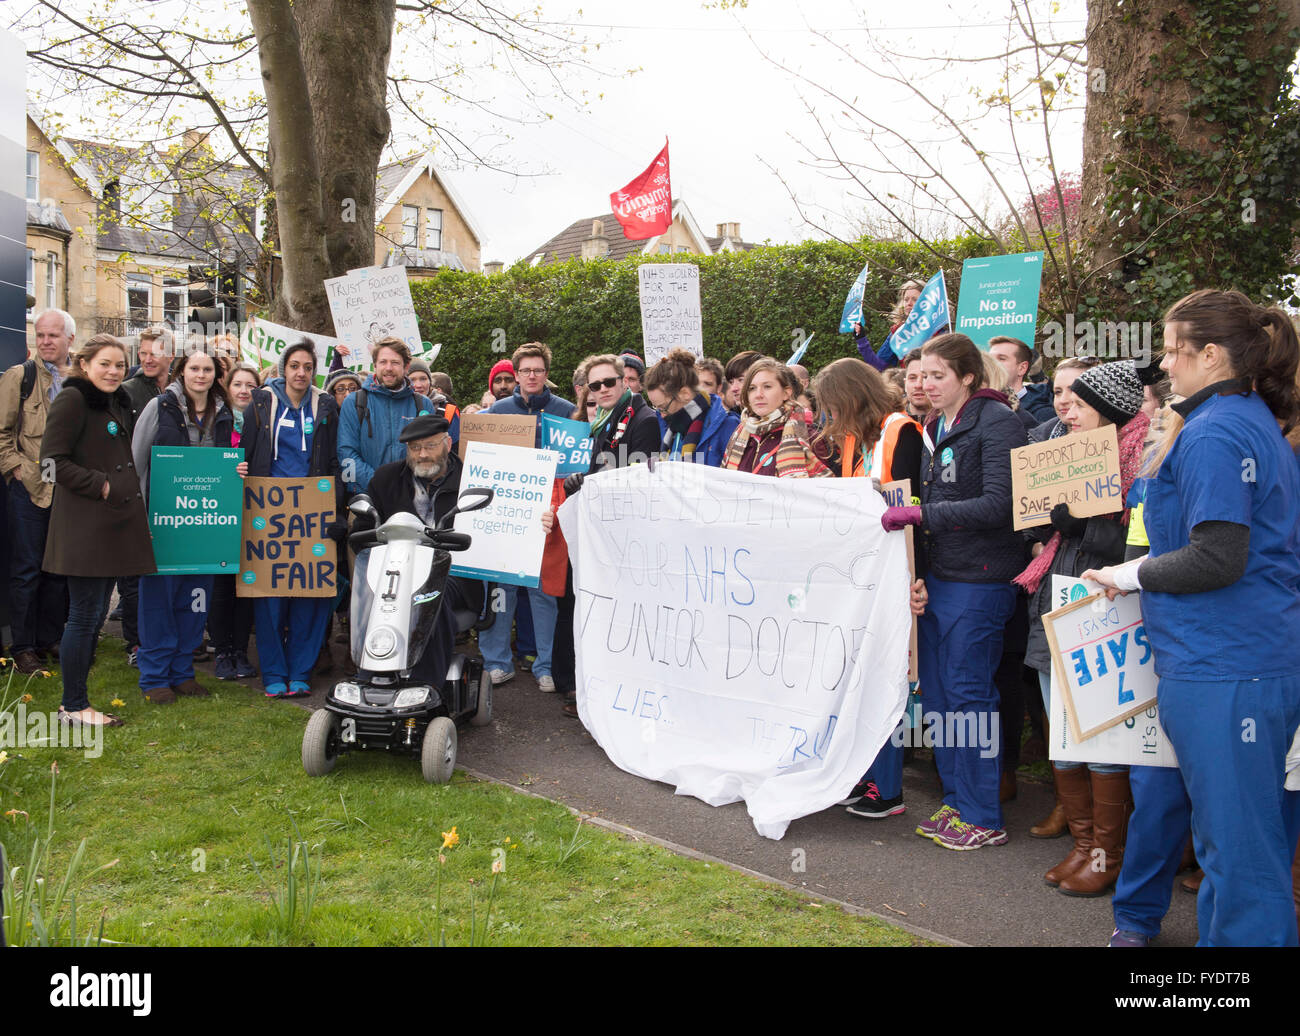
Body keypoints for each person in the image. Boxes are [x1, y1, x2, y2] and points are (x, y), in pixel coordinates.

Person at [1083, 289, 1300, 946]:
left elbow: (1217, 557)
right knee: (1234, 851)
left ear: (1211, 355)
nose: (1165, 365)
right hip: (1240, 660)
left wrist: (1125, 574)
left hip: (1228, 666)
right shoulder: (1239, 418)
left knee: (1240, 858)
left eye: (1175, 351)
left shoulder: (1218, 429)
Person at [879, 332, 1028, 850]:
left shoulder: (999, 422)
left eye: (938, 375)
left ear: (967, 376)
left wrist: (922, 513)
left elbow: (1000, 505)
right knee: (940, 696)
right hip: (941, 577)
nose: (926, 384)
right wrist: (915, 573)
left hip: (982, 580)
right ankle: (958, 800)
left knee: (969, 697)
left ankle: (984, 815)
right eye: (920, 375)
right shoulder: (933, 425)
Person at [1013, 361, 1149, 893]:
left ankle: (1107, 856)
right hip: (1055, 597)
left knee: (1101, 730)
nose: (1067, 411)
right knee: (1063, 732)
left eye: (1082, 404)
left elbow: (1138, 546)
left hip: (1100, 607)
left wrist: (1088, 526)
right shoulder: (1062, 455)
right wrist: (1048, 518)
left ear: (1110, 413)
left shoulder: (1140, 461)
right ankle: (1084, 843)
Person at [813, 358, 921, 819]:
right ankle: (865, 773)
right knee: (857, 676)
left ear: (853, 397)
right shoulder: (856, 440)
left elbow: (916, 501)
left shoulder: (902, 431)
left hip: (898, 569)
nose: (829, 419)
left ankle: (890, 786)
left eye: (833, 408)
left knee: (888, 676)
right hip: (861, 575)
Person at [40, 334, 156, 727]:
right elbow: (50, 464)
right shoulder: (73, 399)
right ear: (84, 363)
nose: (113, 371)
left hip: (113, 526)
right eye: (105, 363)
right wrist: (101, 485)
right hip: (86, 529)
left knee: (88, 618)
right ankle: (73, 706)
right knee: (84, 617)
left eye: (120, 365)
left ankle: (76, 702)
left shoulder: (115, 401)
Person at [130, 350, 243, 704]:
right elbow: (135, 460)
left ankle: (182, 673)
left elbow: (229, 462)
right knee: (158, 602)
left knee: (195, 602)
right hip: (163, 523)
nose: (201, 375)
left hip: (206, 526)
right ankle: (154, 677)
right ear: (182, 372)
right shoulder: (159, 407)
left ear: (216, 375)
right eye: (194, 368)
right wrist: (139, 516)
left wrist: (237, 472)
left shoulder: (225, 413)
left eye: (208, 369)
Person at [554, 354, 662, 718]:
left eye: (609, 382)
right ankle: (587, 684)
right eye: (594, 385)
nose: (602, 389)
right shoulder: (602, 421)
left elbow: (635, 476)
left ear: (624, 381)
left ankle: (619, 693)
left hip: (625, 535)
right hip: (599, 530)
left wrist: (592, 481)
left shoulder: (643, 419)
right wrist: (578, 483)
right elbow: (597, 469)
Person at [239, 339, 341, 698]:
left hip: (312, 513)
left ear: (315, 371)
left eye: (308, 367)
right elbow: (246, 451)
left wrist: (335, 507)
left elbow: (332, 461)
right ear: (284, 368)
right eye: (295, 365)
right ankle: (273, 673)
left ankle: (300, 671)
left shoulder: (325, 406)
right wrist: (239, 469)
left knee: (309, 595)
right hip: (269, 513)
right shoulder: (261, 402)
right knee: (269, 596)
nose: (301, 372)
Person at [476, 342, 575, 691]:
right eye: (525, 371)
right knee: (501, 591)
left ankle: (546, 665)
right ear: (516, 375)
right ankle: (497, 661)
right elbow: (480, 462)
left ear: (547, 374)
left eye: (538, 370)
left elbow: (575, 468)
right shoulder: (497, 412)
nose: (532, 376)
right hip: (506, 513)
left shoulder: (567, 412)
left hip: (548, 516)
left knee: (544, 592)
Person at [0, 308, 73, 674]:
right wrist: (17, 471)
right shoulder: (20, 377)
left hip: (70, 490)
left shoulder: (82, 379)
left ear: (69, 340)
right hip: (29, 488)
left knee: (58, 570)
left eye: (53, 336)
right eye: (40, 335)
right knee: (27, 569)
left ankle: (51, 638)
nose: (45, 341)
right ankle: (24, 647)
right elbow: (1, 433)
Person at [207, 362, 260, 682]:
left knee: (247, 586)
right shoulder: (217, 421)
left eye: (250, 385)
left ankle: (240, 650)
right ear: (227, 388)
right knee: (220, 587)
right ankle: (222, 650)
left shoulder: (262, 422)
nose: (243, 391)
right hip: (220, 513)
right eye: (238, 384)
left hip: (254, 513)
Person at [337, 337, 435, 496]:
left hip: (412, 497)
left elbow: (431, 453)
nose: (388, 368)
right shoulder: (354, 402)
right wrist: (379, 484)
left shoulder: (423, 405)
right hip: (366, 496)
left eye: (395, 362)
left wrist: (405, 487)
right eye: (383, 362)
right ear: (375, 365)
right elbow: (347, 452)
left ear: (406, 367)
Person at [722, 358, 831, 478]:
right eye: (752, 388)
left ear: (786, 393)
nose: (758, 395)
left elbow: (821, 491)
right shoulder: (740, 433)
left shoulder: (809, 437)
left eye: (767, 387)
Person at [643, 348, 740, 467]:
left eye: (663, 407)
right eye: (656, 408)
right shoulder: (673, 426)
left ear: (685, 394)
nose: (662, 415)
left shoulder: (728, 425)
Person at [853, 277, 924, 371]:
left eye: (914, 299)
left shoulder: (939, 327)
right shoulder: (899, 333)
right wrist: (861, 339)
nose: (909, 303)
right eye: (906, 299)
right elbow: (878, 366)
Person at [989, 336, 1055, 423]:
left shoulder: (1043, 414)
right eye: (990, 359)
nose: (992, 363)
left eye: (1001, 358)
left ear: (1022, 368)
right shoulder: (976, 406)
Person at [121, 327, 172, 418]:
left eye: (155, 354)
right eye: (143, 353)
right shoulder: (125, 392)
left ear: (171, 356)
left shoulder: (182, 390)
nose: (147, 360)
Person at [901, 348, 932, 422]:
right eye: (912, 378)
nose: (918, 385)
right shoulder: (888, 422)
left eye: (925, 377)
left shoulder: (954, 424)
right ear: (905, 384)